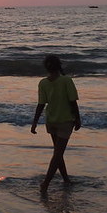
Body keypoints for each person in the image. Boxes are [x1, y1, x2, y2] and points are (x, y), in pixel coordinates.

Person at [30, 54, 81, 193]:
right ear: (59, 65)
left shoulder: (43, 83)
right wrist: (78, 118)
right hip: (65, 121)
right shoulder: (66, 80)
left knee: (58, 153)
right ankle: (45, 184)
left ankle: (66, 179)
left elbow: (40, 104)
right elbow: (73, 102)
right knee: (58, 154)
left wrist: (34, 123)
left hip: (51, 121)